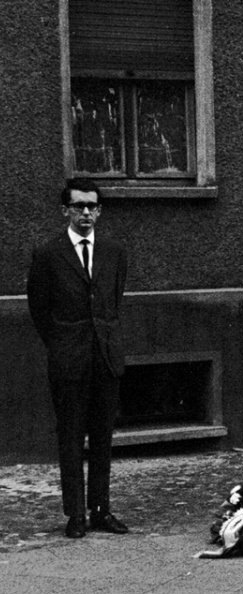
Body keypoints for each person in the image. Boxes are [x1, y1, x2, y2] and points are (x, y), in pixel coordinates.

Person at [27, 178, 129, 538]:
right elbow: (39, 310)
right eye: (78, 206)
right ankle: (76, 515)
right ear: (65, 211)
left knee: (102, 438)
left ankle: (101, 509)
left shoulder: (114, 251)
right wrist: (62, 344)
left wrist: (107, 340)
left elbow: (112, 303)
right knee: (71, 437)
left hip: (105, 358)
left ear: (99, 211)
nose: (85, 213)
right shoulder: (48, 253)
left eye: (92, 207)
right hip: (69, 361)